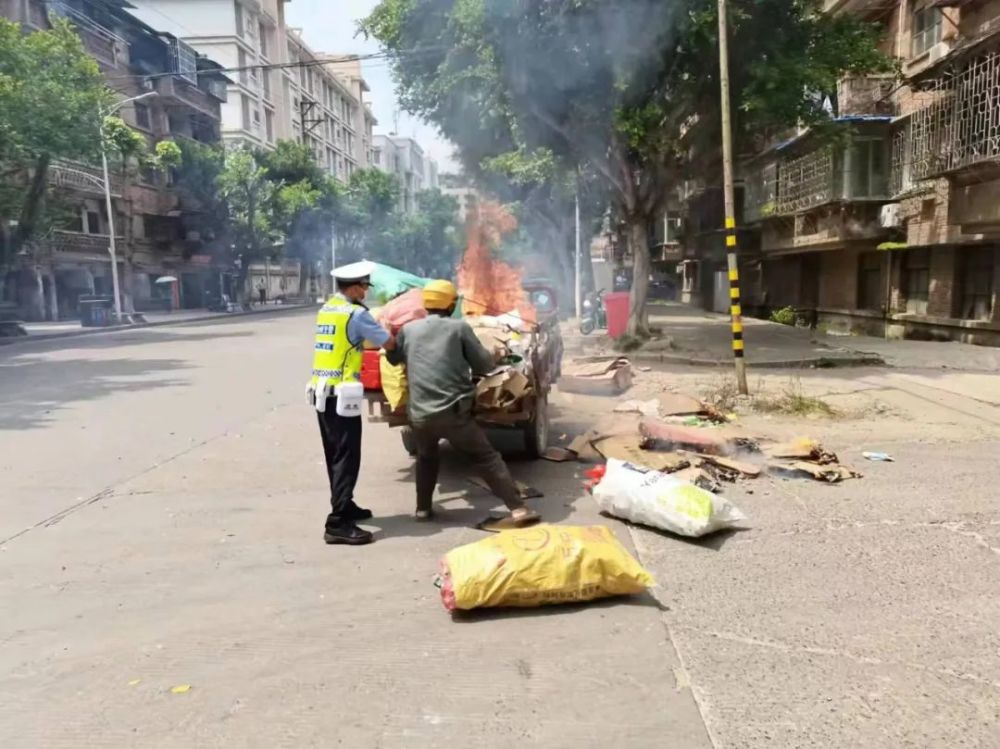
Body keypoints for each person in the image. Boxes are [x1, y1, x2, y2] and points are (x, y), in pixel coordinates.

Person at [386, 279, 540, 525]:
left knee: (426, 457)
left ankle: (422, 510)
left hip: (419, 414)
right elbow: (484, 365)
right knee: (487, 457)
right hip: (454, 413)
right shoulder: (459, 329)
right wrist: (494, 354)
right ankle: (519, 509)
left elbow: (394, 358)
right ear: (450, 305)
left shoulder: (409, 330)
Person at [307, 260, 394, 546]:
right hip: (341, 396)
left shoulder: (329, 308)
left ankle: (346, 504)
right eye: (365, 287)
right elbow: (387, 343)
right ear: (355, 287)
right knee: (347, 457)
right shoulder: (356, 315)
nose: (367, 292)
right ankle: (338, 523)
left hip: (322, 393)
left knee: (335, 454)